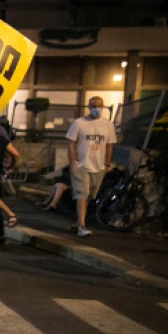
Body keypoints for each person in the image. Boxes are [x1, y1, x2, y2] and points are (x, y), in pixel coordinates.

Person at [66, 96, 116, 237]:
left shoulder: (108, 125)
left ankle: (78, 223)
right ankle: (82, 226)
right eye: (93, 106)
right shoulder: (79, 123)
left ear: (103, 107)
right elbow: (70, 143)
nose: (96, 109)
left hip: (99, 166)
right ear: (88, 107)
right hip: (81, 165)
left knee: (89, 196)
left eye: (99, 106)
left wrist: (106, 163)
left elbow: (109, 145)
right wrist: (72, 163)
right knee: (82, 195)